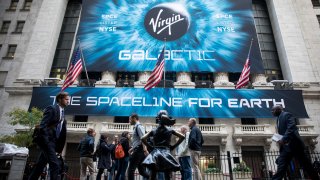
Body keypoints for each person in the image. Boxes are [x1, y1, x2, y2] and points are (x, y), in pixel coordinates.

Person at [28, 92, 69, 180]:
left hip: (53, 143)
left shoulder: (62, 113)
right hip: (48, 141)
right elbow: (43, 125)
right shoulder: (52, 108)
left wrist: (57, 147)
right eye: (66, 99)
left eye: (68, 99)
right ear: (59, 99)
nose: (68, 101)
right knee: (55, 165)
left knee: (39, 166)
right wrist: (46, 141)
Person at [271, 105, 319, 180]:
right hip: (286, 147)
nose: (272, 112)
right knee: (281, 166)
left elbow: (291, 127)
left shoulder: (287, 115)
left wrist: (283, 139)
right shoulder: (278, 119)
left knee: (306, 165)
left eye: (273, 110)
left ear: (278, 109)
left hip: (295, 145)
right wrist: (279, 139)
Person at [142, 110, 185, 180]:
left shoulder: (154, 130)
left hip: (155, 153)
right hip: (166, 153)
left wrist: (150, 147)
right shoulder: (170, 130)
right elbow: (182, 137)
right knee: (167, 174)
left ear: (158, 119)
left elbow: (143, 138)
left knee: (153, 173)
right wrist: (174, 146)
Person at [127, 113, 150, 180]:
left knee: (131, 170)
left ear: (134, 118)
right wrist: (132, 148)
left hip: (139, 151)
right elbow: (138, 141)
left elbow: (143, 139)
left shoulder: (139, 126)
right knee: (141, 171)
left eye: (130, 119)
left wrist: (145, 150)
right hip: (138, 150)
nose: (129, 121)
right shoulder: (136, 127)